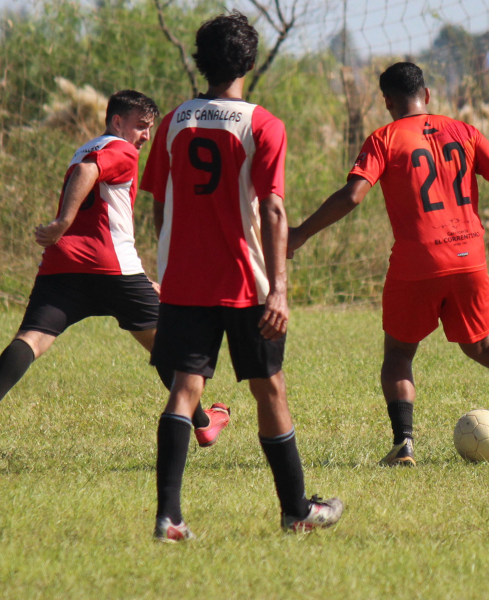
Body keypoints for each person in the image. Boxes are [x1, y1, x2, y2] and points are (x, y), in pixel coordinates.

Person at [288, 62, 489, 467]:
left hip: (417, 262)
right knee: (484, 346)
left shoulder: (384, 138)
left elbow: (352, 195)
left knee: (399, 356)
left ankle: (404, 444)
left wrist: (300, 234)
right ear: (427, 94)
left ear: (387, 101)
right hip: (469, 259)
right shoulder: (465, 131)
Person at [139, 11, 343, 542]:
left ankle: (169, 518)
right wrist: (280, 288)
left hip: (184, 282)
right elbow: (273, 209)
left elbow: (160, 202)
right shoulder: (262, 124)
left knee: (185, 389)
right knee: (269, 388)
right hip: (246, 283)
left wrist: (169, 262)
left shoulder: (174, 121)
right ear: (249, 63)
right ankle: (296, 510)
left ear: (200, 61)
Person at [0, 90, 230, 455]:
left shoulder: (85, 148)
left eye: (149, 128)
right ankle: (203, 424)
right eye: (141, 126)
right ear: (117, 122)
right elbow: (88, 171)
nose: (146, 135)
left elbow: (89, 180)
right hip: (111, 267)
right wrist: (64, 221)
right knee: (169, 348)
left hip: (63, 264)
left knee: (32, 338)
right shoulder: (120, 149)